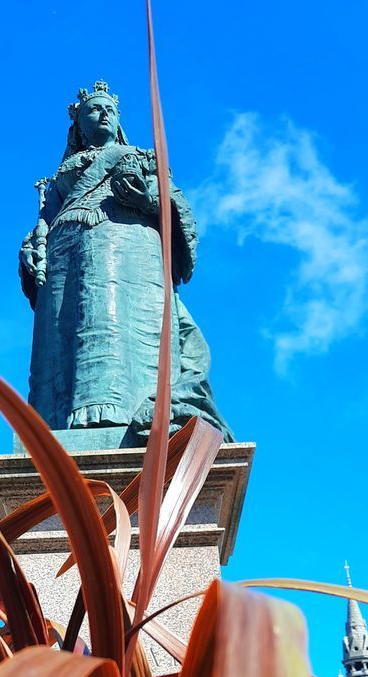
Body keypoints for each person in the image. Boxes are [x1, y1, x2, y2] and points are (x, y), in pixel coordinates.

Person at [19, 81, 233, 442]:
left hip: (130, 247)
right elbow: (45, 224)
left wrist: (147, 201)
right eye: (94, 109)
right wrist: (29, 251)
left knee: (118, 322)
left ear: (117, 120)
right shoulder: (60, 179)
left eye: (109, 110)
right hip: (66, 256)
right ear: (78, 125)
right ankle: (62, 426)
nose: (102, 114)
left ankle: (130, 414)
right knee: (63, 336)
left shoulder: (141, 158)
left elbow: (177, 209)